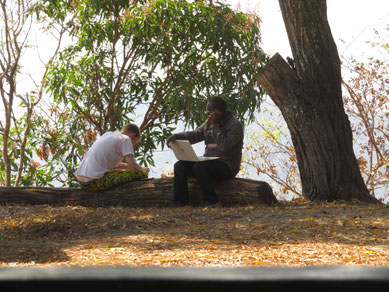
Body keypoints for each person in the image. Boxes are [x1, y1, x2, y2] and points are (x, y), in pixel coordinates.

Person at [167, 97, 244, 206]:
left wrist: (215, 126)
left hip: (227, 165)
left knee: (199, 168)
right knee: (180, 166)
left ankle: (211, 202)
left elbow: (224, 146)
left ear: (219, 112)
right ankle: (180, 203)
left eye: (209, 111)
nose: (207, 114)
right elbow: (196, 134)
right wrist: (177, 136)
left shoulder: (235, 125)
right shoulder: (209, 123)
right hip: (209, 162)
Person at [74, 123, 150, 191]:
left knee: (119, 173)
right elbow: (133, 166)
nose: (133, 146)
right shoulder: (126, 139)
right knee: (141, 174)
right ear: (132, 135)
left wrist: (138, 167)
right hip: (95, 182)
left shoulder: (108, 135)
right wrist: (143, 169)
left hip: (82, 183)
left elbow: (116, 166)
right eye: (135, 142)